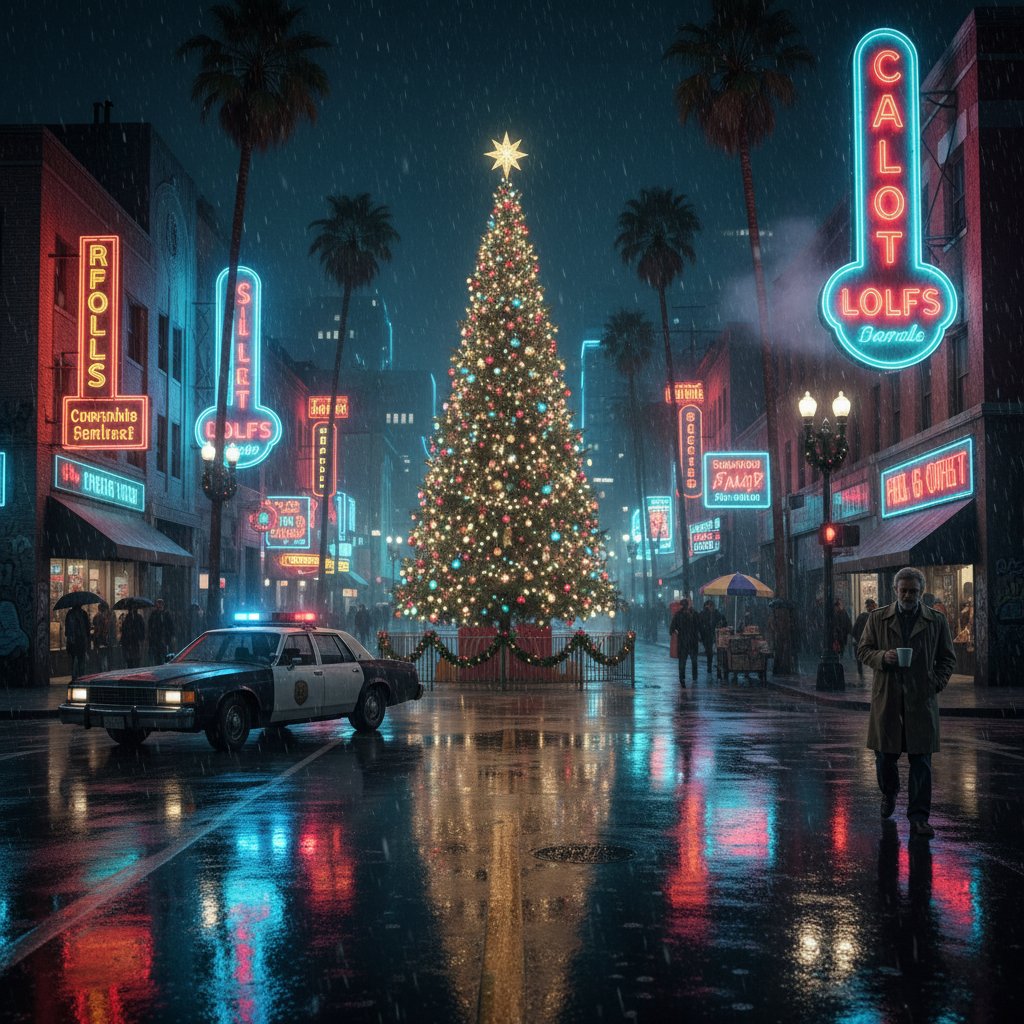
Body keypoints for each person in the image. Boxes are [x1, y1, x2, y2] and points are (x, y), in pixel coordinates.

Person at [858, 566, 956, 840]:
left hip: (920, 699)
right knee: (884, 757)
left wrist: (935, 683)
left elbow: (948, 658)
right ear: (895, 591)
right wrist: (883, 657)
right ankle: (889, 792)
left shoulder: (935, 620)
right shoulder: (878, 618)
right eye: (904, 590)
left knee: (921, 762)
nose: (908, 595)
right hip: (888, 698)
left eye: (913, 591)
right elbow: (863, 650)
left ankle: (919, 818)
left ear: (921, 592)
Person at [669, 598, 701, 687]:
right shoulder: (694, 614)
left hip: (683, 642)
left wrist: (677, 632)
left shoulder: (678, 615)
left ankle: (682, 678)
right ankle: (694, 677)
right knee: (693, 661)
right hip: (692, 642)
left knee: (683, 662)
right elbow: (699, 625)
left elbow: (671, 629)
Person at [851, 599, 877, 679]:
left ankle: (861, 675)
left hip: (862, 642)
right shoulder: (875, 617)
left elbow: (854, 631)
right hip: (870, 643)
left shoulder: (862, 616)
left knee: (860, 660)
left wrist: (859, 640)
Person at [699, 600, 726, 676]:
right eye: (709, 606)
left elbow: (722, 621)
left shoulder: (717, 613)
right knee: (709, 651)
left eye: (711, 606)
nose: (711, 608)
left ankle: (712, 666)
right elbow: (699, 623)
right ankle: (710, 666)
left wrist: (720, 625)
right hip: (706, 635)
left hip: (714, 635)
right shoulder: (703, 614)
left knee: (712, 652)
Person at [65, 604, 91, 680]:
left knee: (73, 660)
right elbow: (87, 629)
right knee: (81, 660)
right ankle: (81, 677)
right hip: (81, 641)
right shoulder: (84, 613)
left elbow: (66, 631)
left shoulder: (69, 614)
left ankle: (74, 677)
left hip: (72, 642)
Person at [147, 598, 176, 664]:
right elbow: (150, 625)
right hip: (157, 639)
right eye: (158, 604)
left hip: (164, 638)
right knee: (158, 656)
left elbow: (170, 625)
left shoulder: (166, 614)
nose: (160, 606)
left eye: (161, 604)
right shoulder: (154, 614)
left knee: (164, 654)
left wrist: (171, 634)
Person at [91, 601, 115, 672]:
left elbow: (97, 629)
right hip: (106, 641)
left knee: (102, 658)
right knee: (107, 658)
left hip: (101, 641)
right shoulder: (110, 617)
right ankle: (106, 671)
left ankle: (103, 672)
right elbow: (112, 630)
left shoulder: (98, 617)